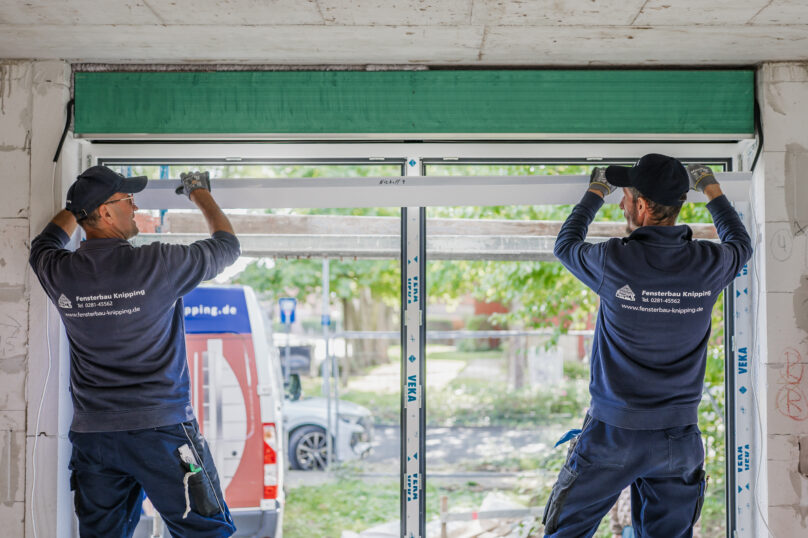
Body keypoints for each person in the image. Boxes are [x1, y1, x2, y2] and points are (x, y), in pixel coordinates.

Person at [543, 154, 752, 537]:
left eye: (624, 196)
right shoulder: (709, 263)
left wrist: (595, 191)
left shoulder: (613, 259)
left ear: (641, 206)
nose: (621, 204)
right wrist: (710, 187)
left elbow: (565, 243)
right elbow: (741, 243)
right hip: (678, 440)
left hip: (613, 435)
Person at [29, 166, 240, 537]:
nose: (135, 206)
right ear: (106, 212)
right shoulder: (158, 264)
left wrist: (77, 209)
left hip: (95, 439)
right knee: (205, 532)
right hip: (162, 432)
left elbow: (43, 245)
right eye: (127, 199)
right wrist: (198, 191)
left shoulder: (61, 273)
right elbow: (227, 247)